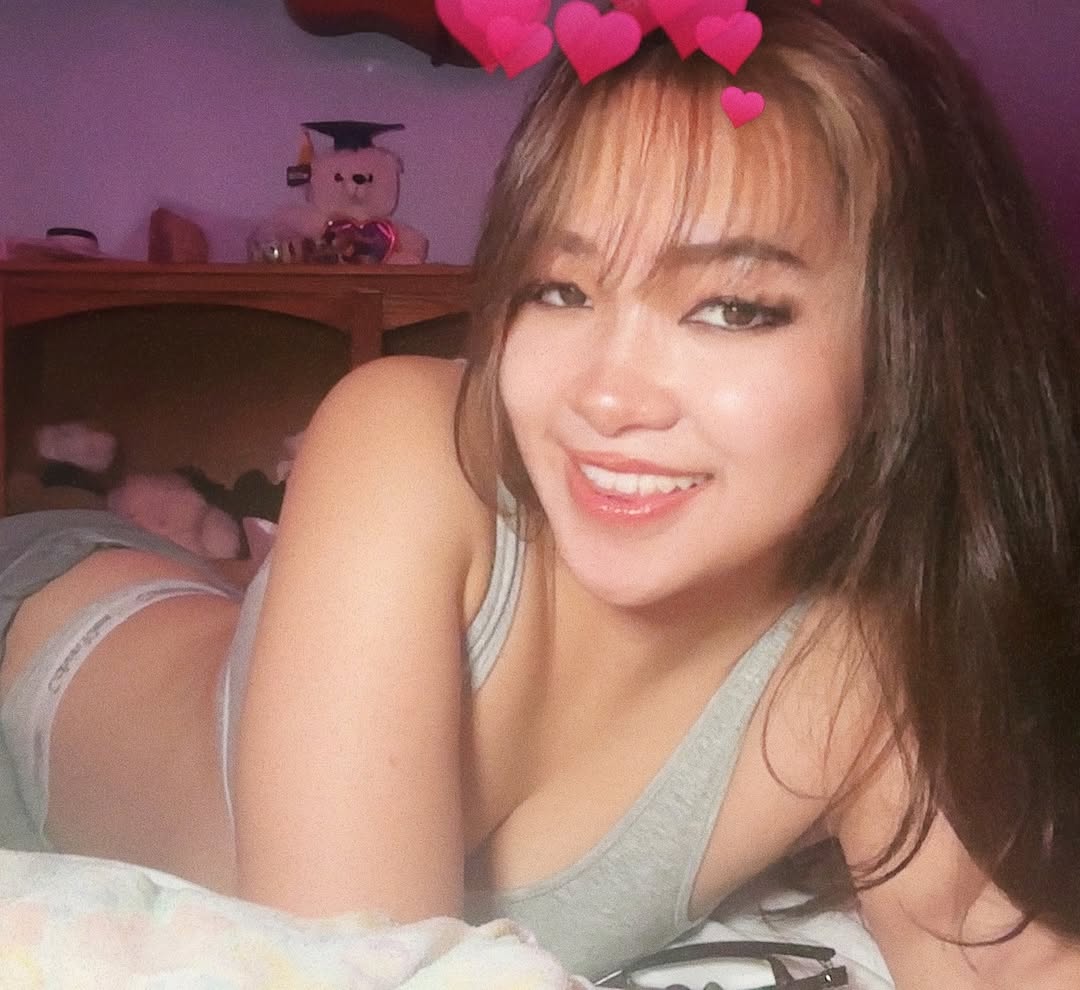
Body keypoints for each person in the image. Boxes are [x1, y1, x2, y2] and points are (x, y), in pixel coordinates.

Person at [1, 0, 1077, 984]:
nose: (604, 396)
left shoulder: (864, 678)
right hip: (50, 608)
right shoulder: (402, 433)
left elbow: (1008, 967)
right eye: (560, 289)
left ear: (914, 344)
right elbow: (362, 972)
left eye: (732, 307)